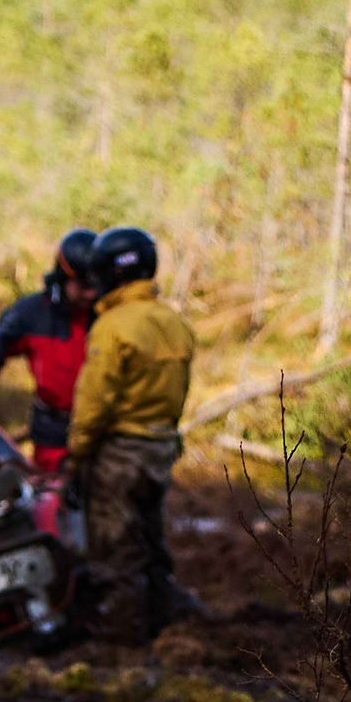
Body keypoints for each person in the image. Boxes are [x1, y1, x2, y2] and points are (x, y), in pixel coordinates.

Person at [67, 226, 196, 644]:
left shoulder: (112, 326)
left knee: (115, 551)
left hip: (119, 455)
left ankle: (122, 646)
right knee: (151, 542)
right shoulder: (173, 322)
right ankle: (165, 630)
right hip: (159, 448)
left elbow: (95, 401)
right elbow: (177, 391)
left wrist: (76, 453)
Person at [0, 229, 98, 471]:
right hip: (54, 433)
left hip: (104, 432)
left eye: (96, 284)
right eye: (83, 285)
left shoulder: (108, 314)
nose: (90, 293)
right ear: (64, 275)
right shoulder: (32, 313)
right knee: (51, 490)